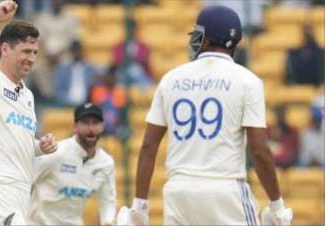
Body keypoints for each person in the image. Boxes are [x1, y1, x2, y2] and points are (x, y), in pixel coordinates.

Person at [117, 5, 292, 226]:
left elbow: (148, 146)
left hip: (179, 191)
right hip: (226, 190)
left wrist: (139, 206)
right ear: (234, 45)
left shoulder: (171, 79)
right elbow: (259, 151)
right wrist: (276, 205)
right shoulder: (248, 81)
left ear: (206, 40)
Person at [0, 1, 58, 225]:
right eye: (26, 51)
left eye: (35, 52)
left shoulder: (27, 95)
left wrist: (38, 147)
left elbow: (14, 140)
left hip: (19, 193)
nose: (32, 59)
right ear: (5, 49)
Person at [28, 103, 117, 225]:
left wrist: (108, 221)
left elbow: (108, 202)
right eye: (85, 122)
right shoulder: (56, 152)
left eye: (95, 122)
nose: (91, 128)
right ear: (75, 126)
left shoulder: (106, 163)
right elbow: (25, 180)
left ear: (103, 126)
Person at [90, 65, 128, 136]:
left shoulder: (120, 92)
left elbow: (121, 113)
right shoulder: (97, 90)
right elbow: (96, 109)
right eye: (109, 76)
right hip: (101, 122)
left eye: (112, 76)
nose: (110, 79)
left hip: (116, 124)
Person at [266, 105, 299, 169]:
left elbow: (294, 151)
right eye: (278, 114)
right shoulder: (269, 131)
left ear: (285, 115)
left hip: (287, 163)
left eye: (282, 114)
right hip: (273, 162)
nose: (280, 117)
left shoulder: (292, 131)